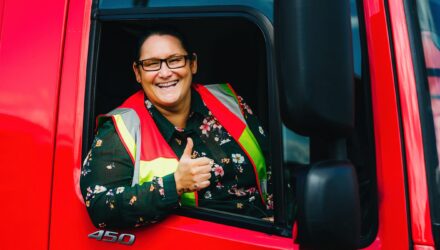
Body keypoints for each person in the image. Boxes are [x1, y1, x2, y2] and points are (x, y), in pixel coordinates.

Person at [80, 26, 273, 229]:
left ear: (192, 64)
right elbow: (99, 206)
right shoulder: (120, 127)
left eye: (174, 60)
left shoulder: (229, 101)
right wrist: (175, 184)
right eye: (152, 64)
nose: (165, 73)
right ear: (138, 72)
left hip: (261, 236)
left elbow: (272, 168)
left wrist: (277, 220)